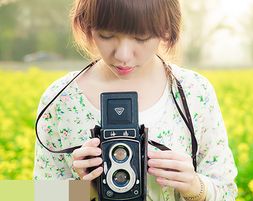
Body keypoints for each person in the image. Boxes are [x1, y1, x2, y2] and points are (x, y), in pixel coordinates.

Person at [33, 0, 238, 200]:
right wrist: (83, 191)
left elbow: (227, 191)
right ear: (86, 25)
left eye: (141, 38)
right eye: (106, 35)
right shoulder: (61, 99)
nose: (123, 55)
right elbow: (38, 195)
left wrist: (195, 187)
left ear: (166, 29)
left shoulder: (194, 92)